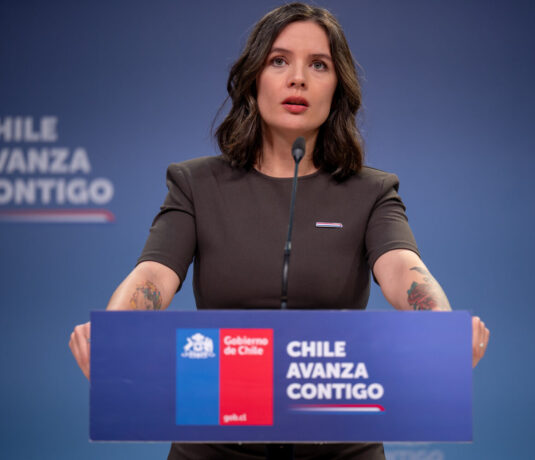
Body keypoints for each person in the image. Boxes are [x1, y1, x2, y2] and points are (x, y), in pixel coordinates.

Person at [69, 3, 490, 459]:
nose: (298, 79)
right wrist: (116, 339)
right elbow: (153, 275)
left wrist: (441, 332)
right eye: (279, 61)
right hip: (215, 441)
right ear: (254, 78)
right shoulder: (195, 184)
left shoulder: (371, 191)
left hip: (339, 443)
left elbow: (404, 269)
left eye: (319, 65)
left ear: (338, 87)